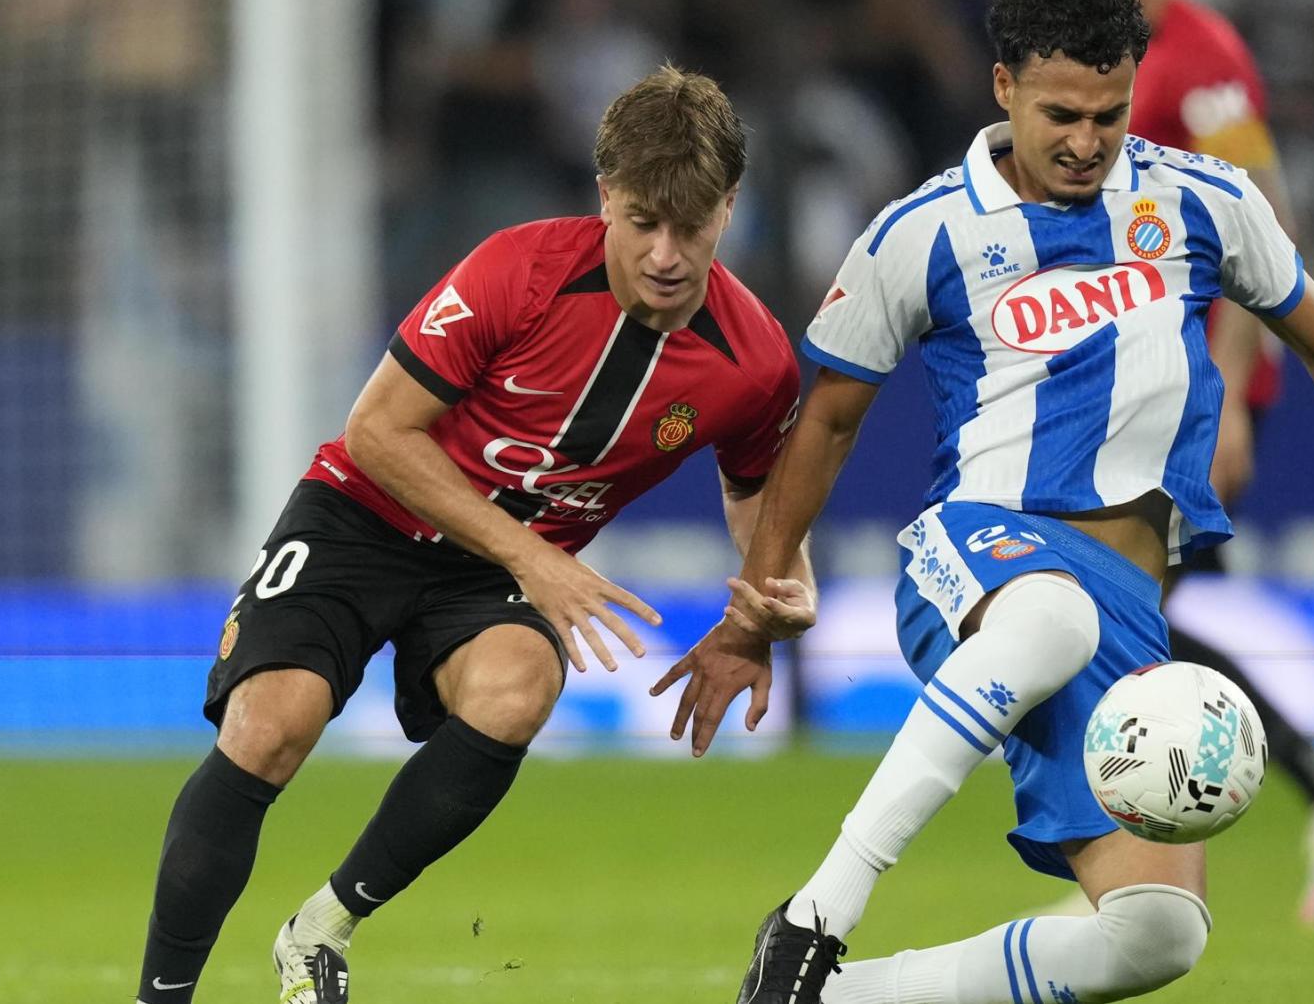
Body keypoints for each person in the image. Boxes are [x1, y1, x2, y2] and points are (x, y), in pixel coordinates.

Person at [655, 0, 1314, 1002]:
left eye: (1108, 115)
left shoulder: (1204, 200)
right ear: (1003, 86)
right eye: (1059, 115)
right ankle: (813, 919)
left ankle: (830, 998)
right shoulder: (921, 231)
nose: (1085, 141)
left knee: (1157, 933)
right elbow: (829, 421)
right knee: (1050, 618)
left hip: (1125, 611)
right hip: (981, 548)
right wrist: (753, 609)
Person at [132, 65, 808, 1004]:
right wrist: (534, 556)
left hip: (487, 579)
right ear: (605, 195)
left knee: (519, 685)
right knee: (271, 724)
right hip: (365, 516)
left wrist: (767, 608)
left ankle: (320, 930)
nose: (665, 253)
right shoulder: (517, 272)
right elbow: (378, 430)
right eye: (643, 221)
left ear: (729, 207)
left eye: (691, 227)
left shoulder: (757, 362)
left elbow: (757, 497)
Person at [1101, 0, 1314, 926]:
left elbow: (1265, 217)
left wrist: (1230, 397)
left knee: (1114, 617)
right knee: (1124, 621)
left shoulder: (1204, 59)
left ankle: (1161, 870)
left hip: (1197, 386)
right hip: (1145, 380)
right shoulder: (1113, 49)